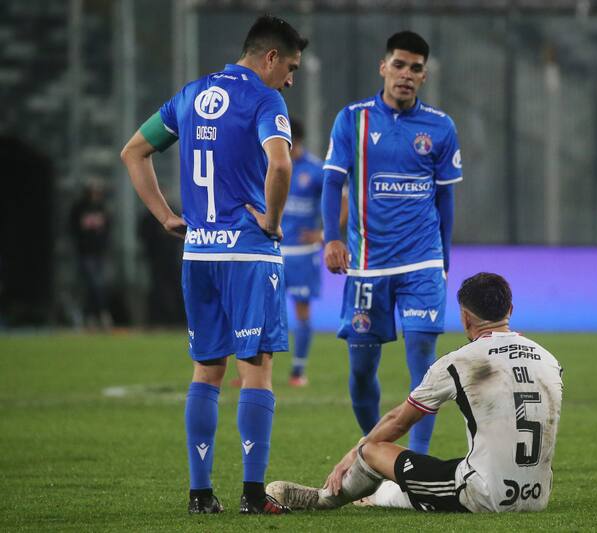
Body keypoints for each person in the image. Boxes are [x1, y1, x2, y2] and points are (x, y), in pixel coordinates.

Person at [120, 15, 307, 515]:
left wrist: (165, 216)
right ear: (270, 57)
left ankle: (200, 495)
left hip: (199, 252)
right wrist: (270, 220)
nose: (291, 79)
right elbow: (281, 162)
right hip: (247, 253)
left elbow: (133, 151)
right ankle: (251, 494)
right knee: (257, 372)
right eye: (290, 67)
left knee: (206, 371)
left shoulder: (190, 94)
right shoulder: (266, 99)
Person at [266, 272, 564, 513]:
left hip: (484, 494)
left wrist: (351, 455)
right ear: (510, 310)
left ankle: (324, 498)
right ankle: (380, 494)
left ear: (465, 317)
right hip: (538, 497)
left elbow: (399, 420)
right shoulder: (550, 360)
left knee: (372, 451)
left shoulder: (461, 361)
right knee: (435, 477)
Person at [321, 30, 462, 455]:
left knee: (424, 363)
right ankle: (375, 451)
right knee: (362, 370)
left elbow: (445, 198)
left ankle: (414, 464)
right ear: (383, 67)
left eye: (415, 68)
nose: (405, 74)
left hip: (422, 262)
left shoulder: (440, 127)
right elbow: (332, 182)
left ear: (425, 75)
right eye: (398, 65)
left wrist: (444, 260)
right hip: (367, 264)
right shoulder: (353, 119)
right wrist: (331, 238)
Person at [281, 118, 325, 386]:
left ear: (295, 141)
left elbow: (342, 201)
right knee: (259, 312)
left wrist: (323, 235)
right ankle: (248, 372)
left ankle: (298, 371)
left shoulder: (315, 169)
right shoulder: (271, 164)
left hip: (302, 252)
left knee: (302, 311)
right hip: (272, 250)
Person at [69, 181, 113, 330]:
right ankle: (97, 314)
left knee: (97, 285)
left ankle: (93, 315)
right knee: (92, 284)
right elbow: (72, 228)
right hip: (85, 252)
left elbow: (108, 229)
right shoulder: (80, 208)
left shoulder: (102, 208)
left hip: (99, 252)